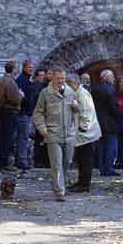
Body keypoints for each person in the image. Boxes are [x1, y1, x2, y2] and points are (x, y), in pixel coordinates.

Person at [32, 67, 79, 201]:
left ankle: (60, 185)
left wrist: (77, 108)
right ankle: (59, 192)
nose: (60, 81)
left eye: (63, 78)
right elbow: (38, 113)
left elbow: (76, 112)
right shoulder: (46, 93)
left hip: (68, 135)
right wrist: (43, 129)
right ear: (52, 78)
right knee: (56, 164)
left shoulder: (71, 92)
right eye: (58, 78)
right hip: (52, 134)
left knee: (66, 163)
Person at [69, 72, 101, 194]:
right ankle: (81, 181)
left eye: (69, 83)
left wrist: (83, 127)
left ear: (75, 83)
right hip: (83, 133)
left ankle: (84, 184)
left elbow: (87, 111)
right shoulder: (78, 93)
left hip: (87, 133)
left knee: (86, 160)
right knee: (81, 159)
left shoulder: (82, 94)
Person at [91, 69, 122, 176]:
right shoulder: (110, 89)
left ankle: (102, 168)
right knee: (111, 146)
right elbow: (114, 107)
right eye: (112, 76)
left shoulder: (94, 89)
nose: (113, 79)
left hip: (98, 121)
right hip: (110, 122)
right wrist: (119, 117)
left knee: (101, 146)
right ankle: (109, 168)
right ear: (106, 77)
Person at [0, 59, 24, 172]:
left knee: (4, 138)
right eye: (16, 68)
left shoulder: (3, 81)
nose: (17, 70)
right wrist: (20, 95)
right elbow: (14, 99)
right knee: (7, 138)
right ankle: (5, 163)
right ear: (13, 69)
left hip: (3, 112)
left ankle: (4, 162)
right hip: (9, 113)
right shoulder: (9, 82)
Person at [15, 59, 42, 170]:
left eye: (32, 67)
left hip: (26, 113)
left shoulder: (27, 79)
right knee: (23, 137)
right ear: (24, 68)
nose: (31, 69)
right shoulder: (22, 80)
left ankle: (21, 159)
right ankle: (21, 160)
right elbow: (22, 97)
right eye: (29, 67)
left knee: (23, 137)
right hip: (23, 113)